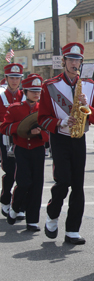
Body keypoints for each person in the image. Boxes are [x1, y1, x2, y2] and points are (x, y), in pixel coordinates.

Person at [38, 42, 94, 245]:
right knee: (63, 181)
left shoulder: (90, 86)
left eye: (78, 60)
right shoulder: (50, 85)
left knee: (78, 186)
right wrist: (61, 122)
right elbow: (42, 118)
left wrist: (86, 106)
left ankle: (73, 229)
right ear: (64, 61)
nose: (75, 64)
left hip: (79, 137)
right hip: (60, 137)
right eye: (71, 60)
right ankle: (53, 215)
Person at [0, 74, 48, 231]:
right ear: (25, 91)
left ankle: (32, 220)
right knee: (23, 182)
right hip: (21, 149)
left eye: (38, 91)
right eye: (32, 91)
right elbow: (4, 128)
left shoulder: (43, 109)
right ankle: (15, 206)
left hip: (38, 149)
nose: (36, 94)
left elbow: (50, 130)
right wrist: (22, 128)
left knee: (37, 184)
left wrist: (40, 133)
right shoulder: (15, 108)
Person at [0, 63, 25, 221]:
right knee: (10, 171)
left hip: (23, 138)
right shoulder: (1, 96)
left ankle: (19, 204)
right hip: (5, 138)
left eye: (17, 78)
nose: (14, 81)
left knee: (22, 172)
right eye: (12, 77)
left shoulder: (25, 95)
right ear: (6, 78)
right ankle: (5, 199)